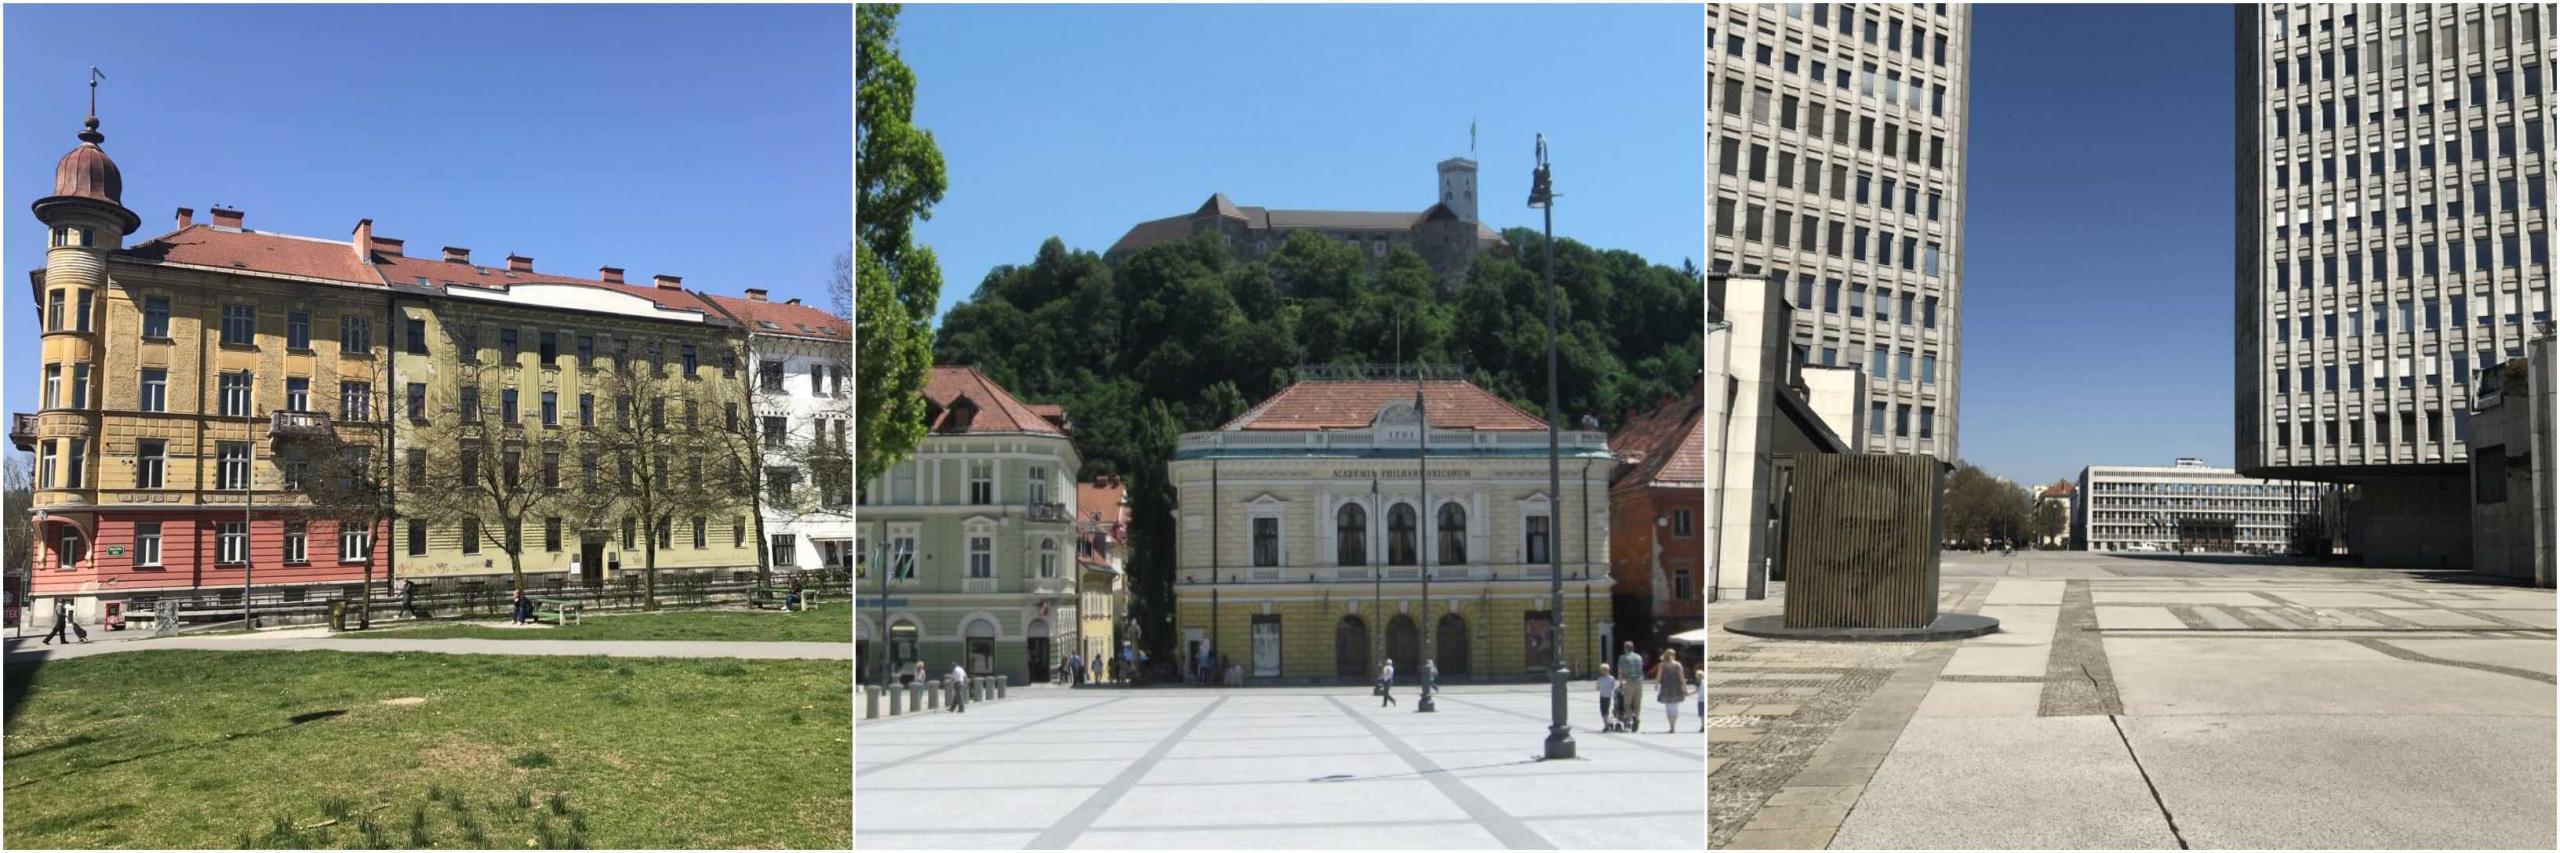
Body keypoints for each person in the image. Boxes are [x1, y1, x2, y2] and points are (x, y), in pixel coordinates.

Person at [1615, 642, 1647, 733]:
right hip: (1639, 681)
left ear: (1625, 648)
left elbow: (1620, 672)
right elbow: (1641, 668)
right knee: (1637, 703)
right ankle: (1637, 718)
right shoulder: (1639, 657)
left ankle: (1632, 718)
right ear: (1632, 648)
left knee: (1627, 704)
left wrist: (1621, 683)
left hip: (1629, 682)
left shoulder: (1622, 658)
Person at [1657, 650, 1689, 735]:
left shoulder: (1662, 665)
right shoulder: (1678, 665)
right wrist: (1685, 688)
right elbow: (1682, 677)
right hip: (1676, 688)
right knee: (1675, 708)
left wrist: (1656, 684)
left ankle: (1671, 726)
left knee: (1668, 708)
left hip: (1666, 688)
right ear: (1674, 655)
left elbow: (1659, 675)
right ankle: (1673, 726)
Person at [1595, 664, 1617, 732]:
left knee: (1604, 711)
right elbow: (1613, 686)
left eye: (1604, 670)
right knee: (1605, 710)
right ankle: (1606, 724)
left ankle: (1606, 724)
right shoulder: (1611, 678)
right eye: (1603, 670)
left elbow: (1597, 688)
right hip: (1606, 696)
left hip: (1605, 696)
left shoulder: (1601, 679)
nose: (1603, 671)